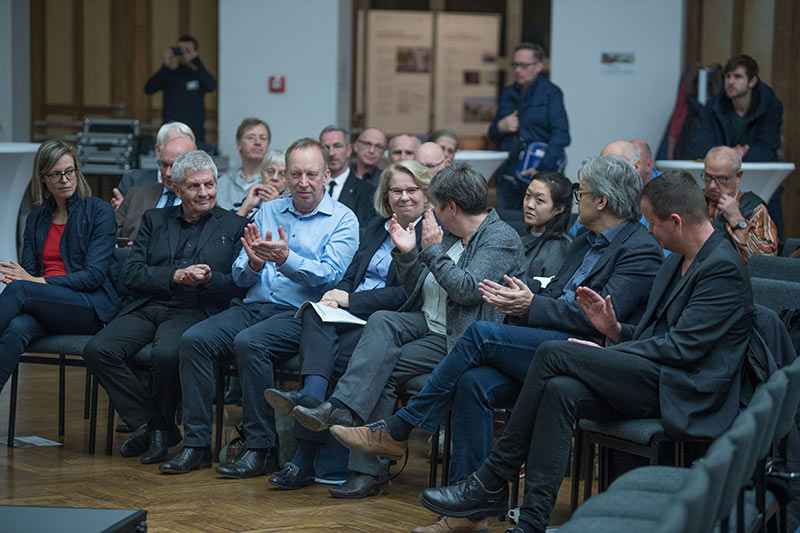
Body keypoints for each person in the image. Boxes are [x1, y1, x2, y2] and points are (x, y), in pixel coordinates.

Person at [330, 156, 663, 531]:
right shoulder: (585, 241)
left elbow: (601, 320)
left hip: (587, 354)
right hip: (547, 343)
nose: (576, 199)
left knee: (479, 334)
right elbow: (553, 295)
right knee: (473, 382)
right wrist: (523, 300)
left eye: (580, 192)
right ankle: (467, 516)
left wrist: (531, 305)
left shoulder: (639, 250)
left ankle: (400, 428)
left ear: (601, 201)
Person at [415, 170, 754, 533]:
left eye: (653, 223)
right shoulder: (677, 259)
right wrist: (615, 330)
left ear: (676, 221)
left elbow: (683, 348)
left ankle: (490, 479)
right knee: (560, 389)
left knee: (553, 353)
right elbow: (659, 335)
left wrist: (609, 353)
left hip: (684, 390)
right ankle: (530, 523)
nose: (650, 231)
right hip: (656, 372)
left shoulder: (721, 266)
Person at [292, 163, 526, 499]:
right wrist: (406, 254)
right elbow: (418, 287)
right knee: (383, 320)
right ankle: (342, 408)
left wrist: (430, 250)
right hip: (427, 321)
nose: (432, 212)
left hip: (460, 338)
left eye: (436, 205)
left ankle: (366, 469)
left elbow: (466, 290)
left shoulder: (499, 238)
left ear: (451, 208)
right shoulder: (449, 233)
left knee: (382, 370)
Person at [158, 138, 359, 476]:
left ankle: (260, 448)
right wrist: (252, 264)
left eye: (311, 174)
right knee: (193, 340)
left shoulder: (343, 219)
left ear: (326, 176)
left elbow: (331, 276)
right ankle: (196, 445)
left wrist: (286, 259)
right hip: (253, 305)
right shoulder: (270, 210)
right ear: (287, 175)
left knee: (250, 343)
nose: (303, 182)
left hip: (302, 314)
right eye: (296, 174)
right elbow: (241, 272)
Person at [264, 160, 433, 490]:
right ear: (385, 196)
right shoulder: (377, 226)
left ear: (426, 194)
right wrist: (335, 294)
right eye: (396, 191)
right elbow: (352, 272)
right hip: (350, 312)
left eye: (412, 190)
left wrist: (350, 300)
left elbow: (408, 295)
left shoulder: (431, 233)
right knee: (313, 312)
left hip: (387, 320)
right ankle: (312, 397)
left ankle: (303, 458)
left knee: (333, 359)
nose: (404, 197)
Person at [83, 150, 247, 465]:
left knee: (167, 355)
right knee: (98, 350)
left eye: (209, 184)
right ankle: (158, 425)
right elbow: (130, 274)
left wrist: (210, 279)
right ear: (177, 188)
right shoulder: (154, 220)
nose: (204, 193)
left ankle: (156, 431)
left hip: (194, 309)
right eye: (194, 186)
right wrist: (174, 275)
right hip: (148, 304)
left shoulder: (234, 225)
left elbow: (239, 285)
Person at [0, 139, 119, 391]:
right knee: (18, 327)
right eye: (56, 174)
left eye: (69, 171)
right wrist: (28, 280)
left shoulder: (99, 211)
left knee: (20, 290)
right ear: (43, 178)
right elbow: (28, 272)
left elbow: (93, 276)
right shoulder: (35, 220)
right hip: (46, 304)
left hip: (89, 306)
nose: (64, 180)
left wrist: (36, 282)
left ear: (77, 171)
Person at [489, 43, 570, 210]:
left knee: (539, 222)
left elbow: (561, 135)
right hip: (508, 176)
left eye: (524, 65)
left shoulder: (551, 93)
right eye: (515, 65)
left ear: (538, 66)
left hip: (540, 175)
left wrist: (542, 170)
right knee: (506, 221)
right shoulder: (508, 93)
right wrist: (501, 126)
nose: (518, 70)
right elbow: (492, 134)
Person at [695, 55, 782, 163]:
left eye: (737, 77)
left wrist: (744, 154)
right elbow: (701, 148)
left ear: (752, 81)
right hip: (719, 169)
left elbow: (769, 151)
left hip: (755, 171)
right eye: (728, 76)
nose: (730, 82)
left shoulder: (769, 106)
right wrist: (732, 154)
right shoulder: (713, 107)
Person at [115, 136, 196, 242]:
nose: (168, 173)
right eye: (164, 165)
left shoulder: (201, 202)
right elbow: (108, 236)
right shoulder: (135, 195)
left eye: (174, 166)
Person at [704, 146, 777, 260]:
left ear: (738, 176)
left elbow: (767, 261)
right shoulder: (695, 200)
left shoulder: (755, 209)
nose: (712, 185)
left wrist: (737, 220)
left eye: (721, 178)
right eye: (708, 177)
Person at [144, 36, 216, 147]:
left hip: (195, 133)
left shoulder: (198, 75)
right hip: (172, 133)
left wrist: (196, 60)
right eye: (180, 50)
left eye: (188, 50)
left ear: (195, 52)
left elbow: (211, 86)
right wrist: (165, 65)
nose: (183, 54)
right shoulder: (170, 75)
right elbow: (149, 88)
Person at [111, 121, 195, 209]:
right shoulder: (133, 182)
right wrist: (122, 212)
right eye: (171, 146)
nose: (177, 151)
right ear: (158, 151)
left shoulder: (201, 191)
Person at [319, 125, 377, 226]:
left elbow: (364, 230)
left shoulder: (367, 192)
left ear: (349, 150)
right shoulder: (311, 187)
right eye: (326, 148)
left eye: (337, 146)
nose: (331, 153)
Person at [216, 118, 271, 210]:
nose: (258, 142)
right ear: (239, 144)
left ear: (268, 145)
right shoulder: (221, 183)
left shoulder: (275, 183)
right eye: (251, 137)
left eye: (263, 138)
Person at [236, 149, 288, 219]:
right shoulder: (252, 195)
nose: (275, 178)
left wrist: (277, 205)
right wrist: (246, 206)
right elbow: (230, 225)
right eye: (270, 171)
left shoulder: (293, 203)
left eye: (282, 174)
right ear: (262, 174)